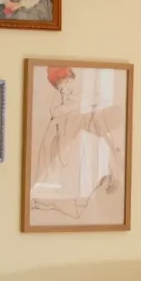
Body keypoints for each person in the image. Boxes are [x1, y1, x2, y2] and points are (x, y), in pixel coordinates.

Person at [31, 66, 118, 220]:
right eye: (59, 86)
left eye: (65, 82)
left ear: (73, 79)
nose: (63, 89)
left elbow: (101, 131)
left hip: (83, 154)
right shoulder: (58, 112)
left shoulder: (90, 104)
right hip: (65, 157)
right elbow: (49, 144)